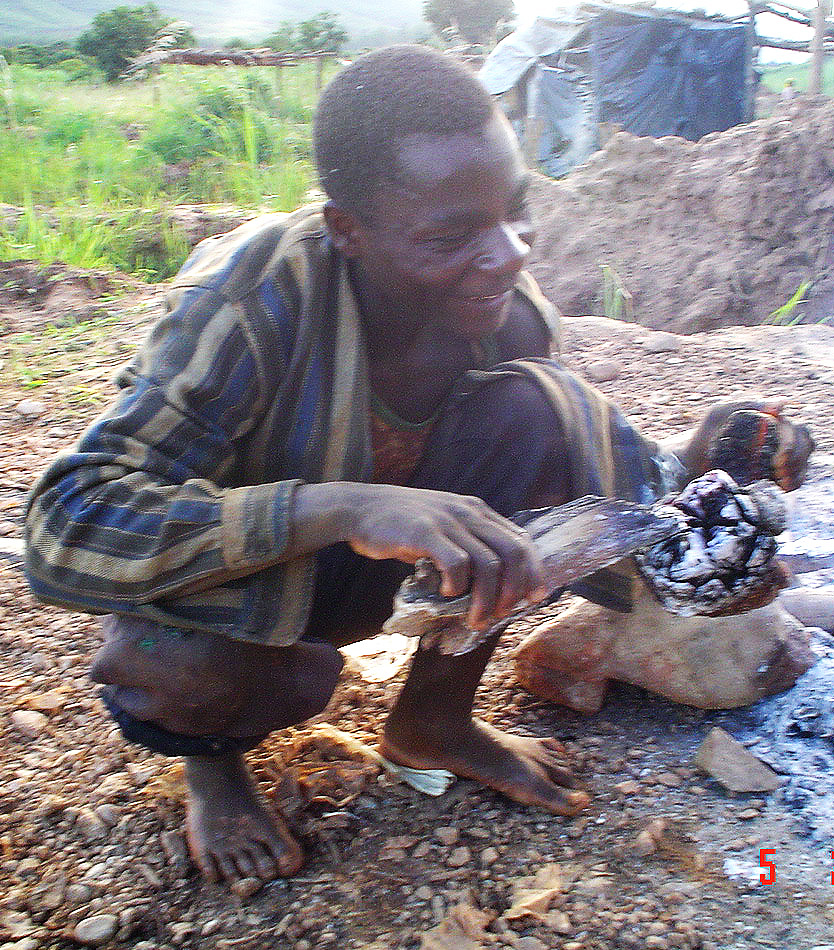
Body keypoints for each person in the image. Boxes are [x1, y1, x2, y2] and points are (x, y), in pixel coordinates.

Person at [24, 45, 811, 888]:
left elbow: (591, 479)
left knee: (538, 410)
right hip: (231, 598)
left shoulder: (501, 316)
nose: (507, 254)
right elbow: (68, 521)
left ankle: (435, 719)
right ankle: (213, 769)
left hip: (372, 583)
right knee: (186, 671)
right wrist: (344, 508)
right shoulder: (252, 304)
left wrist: (704, 471)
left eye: (514, 212)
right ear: (347, 232)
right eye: (451, 235)